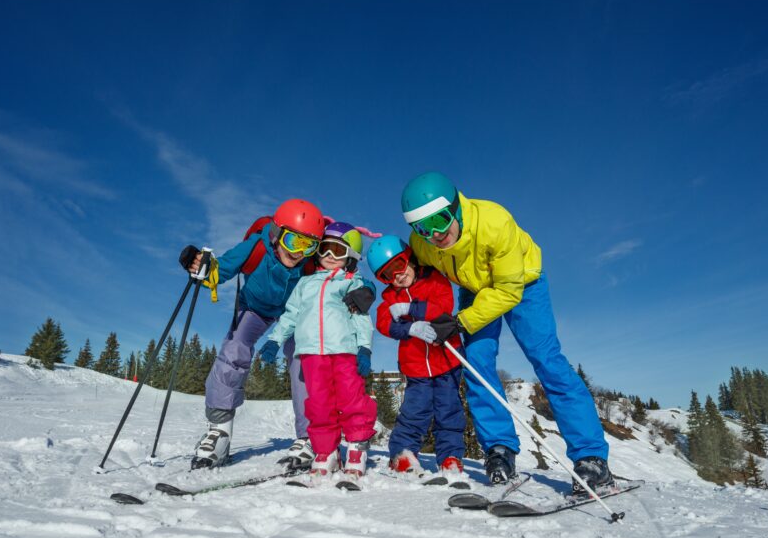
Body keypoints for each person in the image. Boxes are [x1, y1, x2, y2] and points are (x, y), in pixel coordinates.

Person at [400, 171, 612, 493]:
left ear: (455, 207)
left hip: (522, 284)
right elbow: (403, 271)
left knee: (546, 359)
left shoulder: (494, 222)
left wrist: (459, 322)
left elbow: (509, 292)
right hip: (475, 290)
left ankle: (590, 458)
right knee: (476, 363)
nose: (434, 234)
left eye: (440, 221)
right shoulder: (423, 244)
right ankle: (499, 450)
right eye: (422, 228)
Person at [180, 199, 372, 470]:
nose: (298, 252)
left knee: (303, 358)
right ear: (276, 235)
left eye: (308, 246)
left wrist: (364, 290)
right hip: (256, 308)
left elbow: (342, 272)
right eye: (294, 242)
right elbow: (221, 268)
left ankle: (310, 436)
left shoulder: (308, 264)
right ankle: (219, 431)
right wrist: (201, 267)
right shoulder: (257, 248)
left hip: (294, 313)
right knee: (235, 348)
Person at [259, 222, 378, 481]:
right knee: (319, 403)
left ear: (350, 256)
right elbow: (290, 315)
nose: (330, 256)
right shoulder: (306, 284)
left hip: (344, 351)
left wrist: (364, 348)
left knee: (351, 399)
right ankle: (326, 450)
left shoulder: (352, 283)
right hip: (311, 354)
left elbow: (361, 319)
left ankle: (357, 448)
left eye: (338, 250)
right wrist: (275, 340)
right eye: (325, 249)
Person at [368, 235, 466, 476]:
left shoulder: (434, 279)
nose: (398, 276)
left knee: (449, 410)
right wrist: (408, 328)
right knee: (415, 411)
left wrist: (412, 310)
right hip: (416, 367)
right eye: (389, 274)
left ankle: (450, 457)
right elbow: (382, 322)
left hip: (447, 360)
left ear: (410, 258)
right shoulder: (391, 297)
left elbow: (444, 306)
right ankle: (403, 454)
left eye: (399, 266)